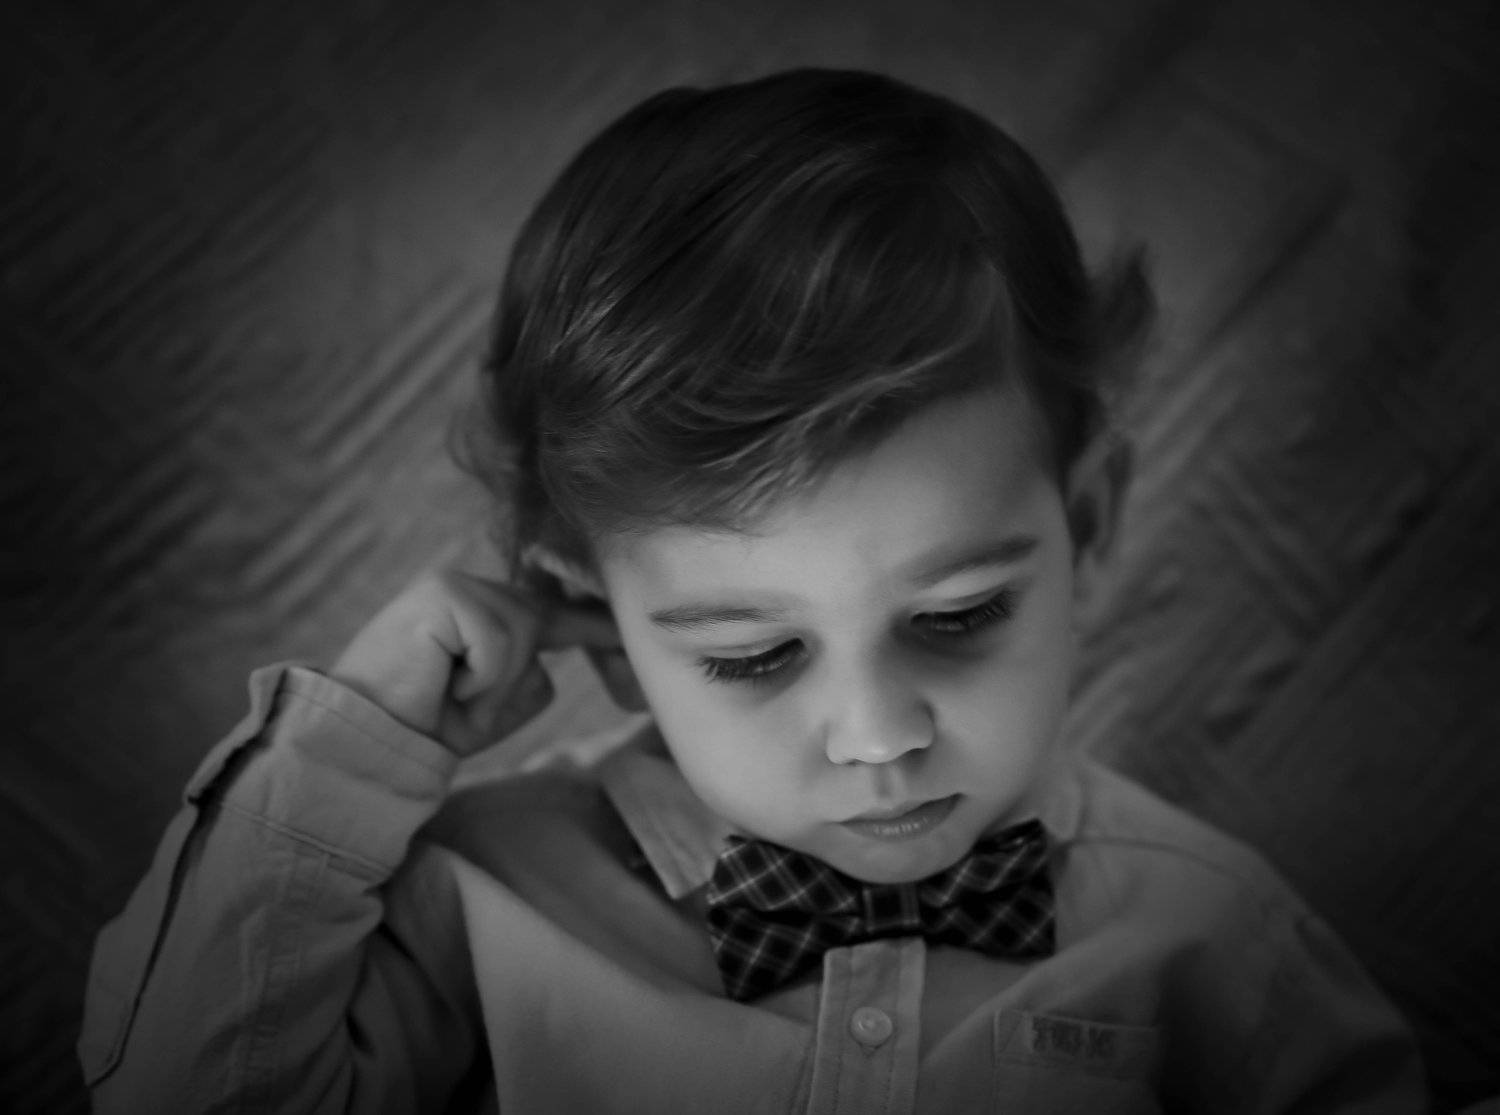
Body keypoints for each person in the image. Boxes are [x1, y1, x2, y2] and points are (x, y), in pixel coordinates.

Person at [78, 68, 1428, 1113]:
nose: (878, 737)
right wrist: (351, 743)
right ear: (606, 628)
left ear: (1085, 519)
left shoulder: (1210, 932)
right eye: (751, 654)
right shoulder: (480, 900)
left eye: (957, 617)